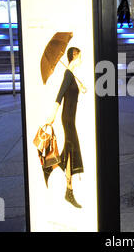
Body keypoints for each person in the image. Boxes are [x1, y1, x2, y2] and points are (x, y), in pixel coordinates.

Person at [47, 47, 87, 209]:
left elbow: (71, 93)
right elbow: (59, 95)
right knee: (71, 151)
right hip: (67, 119)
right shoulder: (68, 74)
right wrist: (53, 115)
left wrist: (80, 88)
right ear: (74, 57)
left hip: (70, 119)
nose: (81, 59)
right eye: (80, 56)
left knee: (70, 150)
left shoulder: (72, 75)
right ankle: (68, 190)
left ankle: (55, 166)